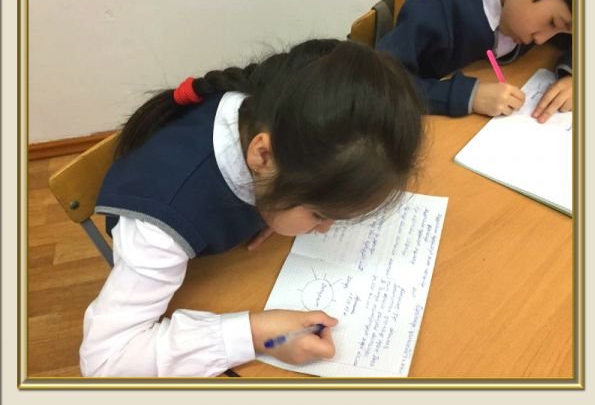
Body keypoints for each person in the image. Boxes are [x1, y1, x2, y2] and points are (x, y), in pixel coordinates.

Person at [79, 38, 426, 377]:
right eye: (320, 215)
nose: (324, 230)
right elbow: (105, 361)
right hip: (183, 261)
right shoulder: (158, 229)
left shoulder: (278, 117)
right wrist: (257, 335)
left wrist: (278, 208)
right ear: (263, 156)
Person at [376, 0, 572, 123]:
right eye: (552, 23)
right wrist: (468, 95)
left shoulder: (551, 3)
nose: (541, 40)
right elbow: (378, 86)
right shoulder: (432, 9)